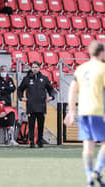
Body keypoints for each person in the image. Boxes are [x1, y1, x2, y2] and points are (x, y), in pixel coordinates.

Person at [64, 41, 105, 187]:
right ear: (101, 53)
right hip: (97, 111)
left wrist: (71, 111)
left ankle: (89, 176)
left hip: (83, 111)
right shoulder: (102, 68)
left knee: (88, 146)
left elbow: (72, 90)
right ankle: (97, 171)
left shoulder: (81, 69)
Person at [17, 61, 56, 148]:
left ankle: (40, 141)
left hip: (41, 105)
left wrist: (51, 97)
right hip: (31, 105)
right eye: (33, 67)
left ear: (39, 68)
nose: (34, 69)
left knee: (41, 124)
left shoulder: (44, 78)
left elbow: (51, 89)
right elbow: (20, 89)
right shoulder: (26, 79)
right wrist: (21, 97)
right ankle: (31, 141)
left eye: (36, 67)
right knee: (31, 124)